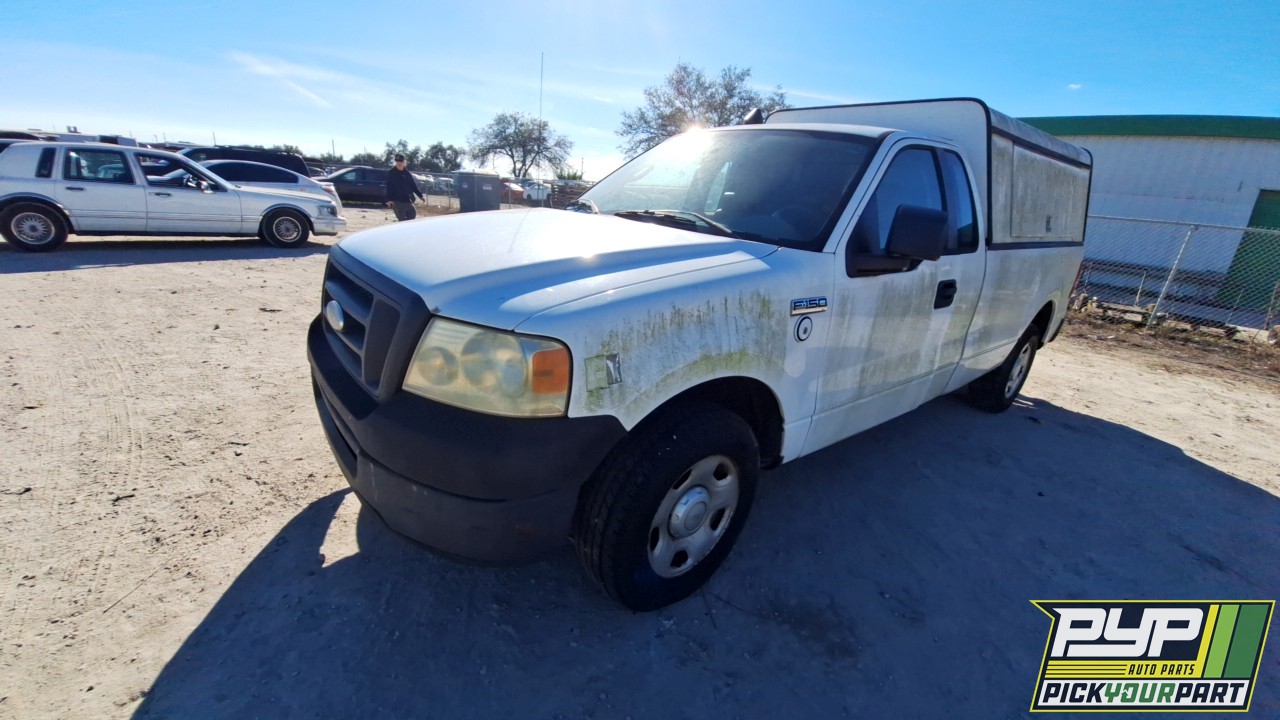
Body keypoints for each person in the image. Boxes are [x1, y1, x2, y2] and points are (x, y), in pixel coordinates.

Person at [385, 154, 424, 221]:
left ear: (404, 163)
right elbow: (389, 187)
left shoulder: (407, 173)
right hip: (397, 201)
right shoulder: (391, 173)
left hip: (407, 200)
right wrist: (390, 200)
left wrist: (420, 196)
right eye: (397, 162)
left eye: (401, 162)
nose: (399, 163)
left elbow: (413, 185)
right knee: (402, 220)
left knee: (412, 215)